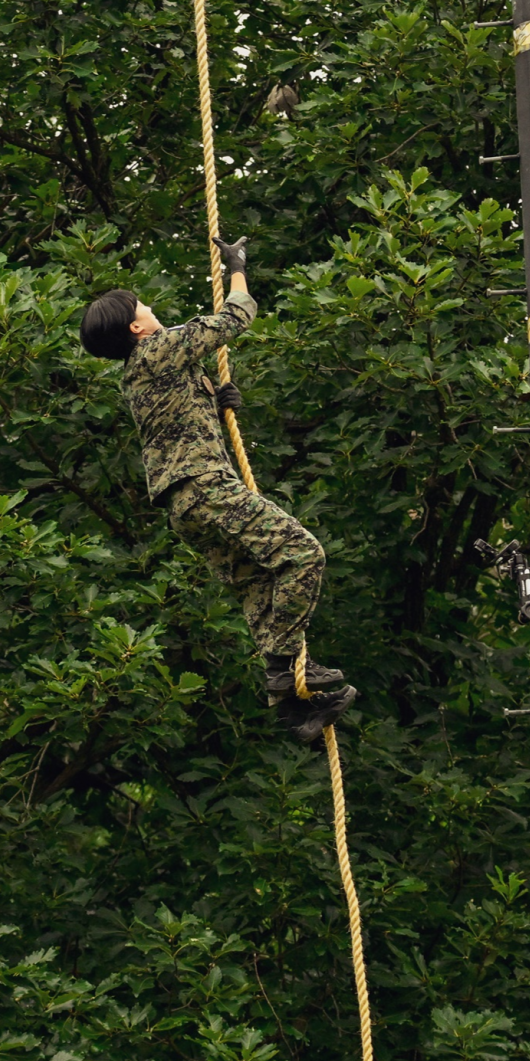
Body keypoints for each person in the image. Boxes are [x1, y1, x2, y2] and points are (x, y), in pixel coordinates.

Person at [79, 235, 356, 743]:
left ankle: (292, 705)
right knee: (302, 554)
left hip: (185, 505)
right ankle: (285, 667)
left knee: (257, 585)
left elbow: (179, 418)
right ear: (136, 327)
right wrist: (238, 269)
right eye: (142, 304)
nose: (150, 305)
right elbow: (235, 317)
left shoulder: (140, 374)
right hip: (205, 487)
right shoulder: (160, 348)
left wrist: (215, 398)